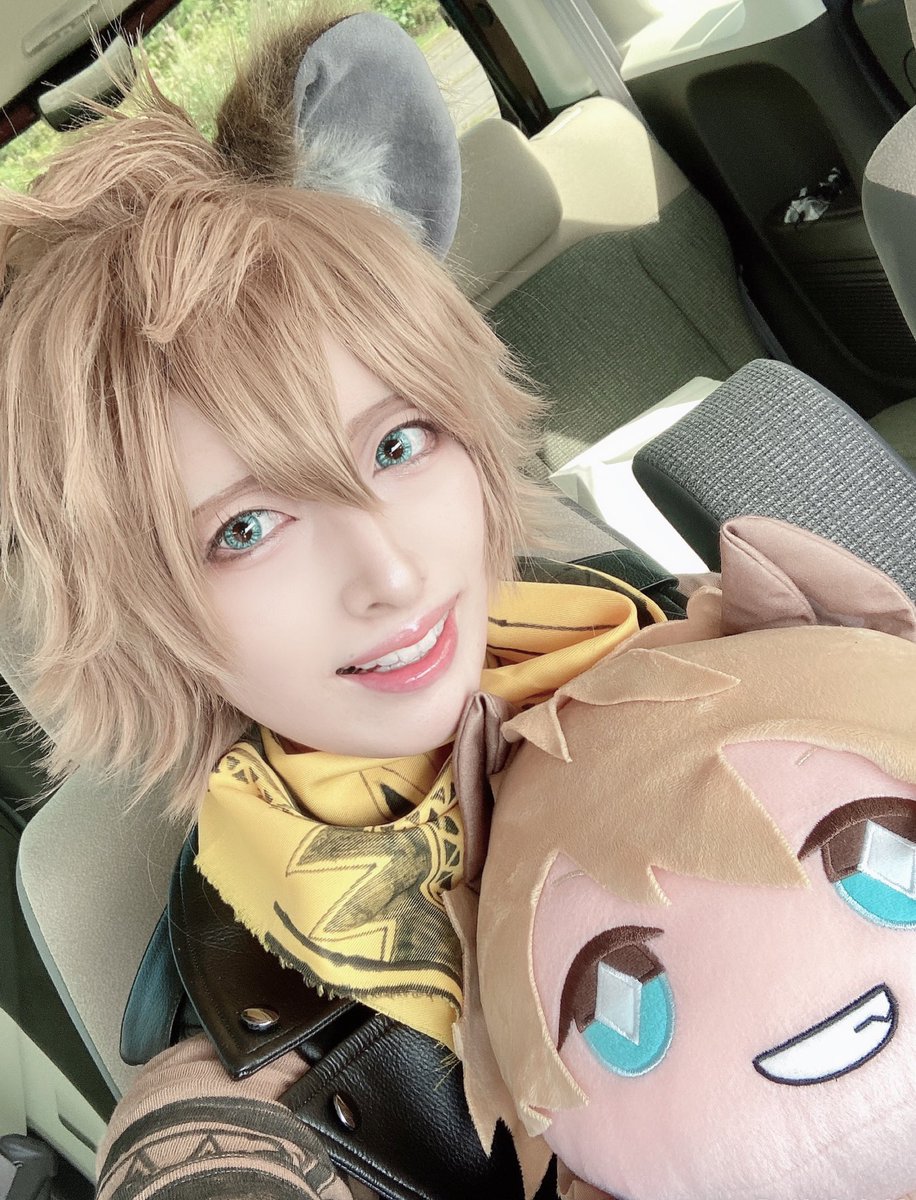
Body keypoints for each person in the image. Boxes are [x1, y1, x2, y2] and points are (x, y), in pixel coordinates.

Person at [0, 8, 679, 1198]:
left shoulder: (651, 618)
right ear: (133, 608)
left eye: (399, 443)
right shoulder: (252, 988)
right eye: (245, 528)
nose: (393, 576)